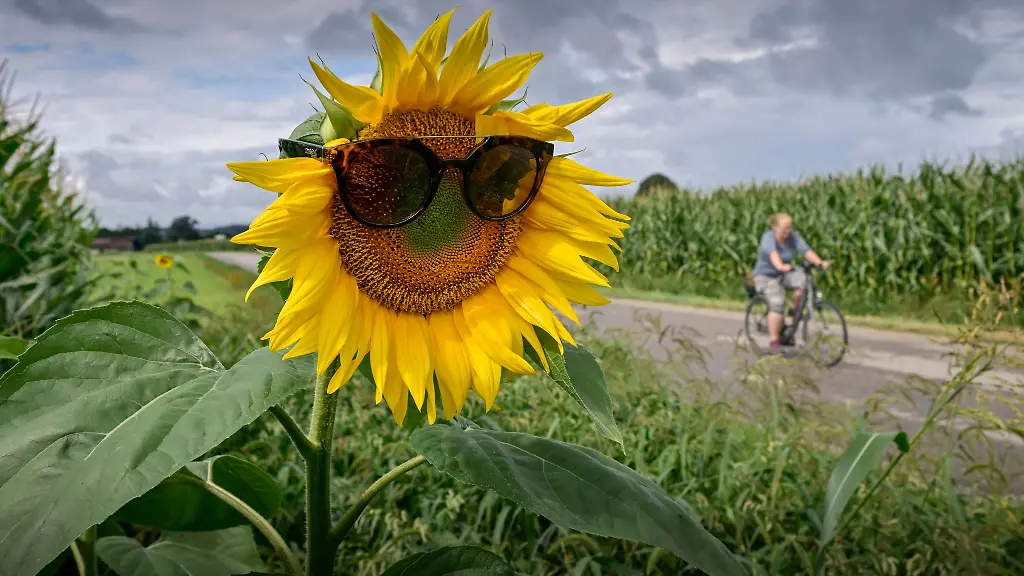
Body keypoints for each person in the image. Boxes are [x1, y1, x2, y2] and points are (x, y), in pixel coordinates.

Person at [751, 213, 829, 353]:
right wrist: (780, 265)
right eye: (784, 228)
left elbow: (806, 251)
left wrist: (819, 262)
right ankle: (774, 340)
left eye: (789, 228)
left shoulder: (792, 237)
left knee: (805, 280)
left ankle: (794, 309)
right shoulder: (768, 238)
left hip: (783, 274)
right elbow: (773, 254)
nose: (787, 231)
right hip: (765, 276)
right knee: (777, 302)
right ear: (774, 227)